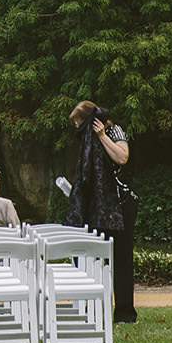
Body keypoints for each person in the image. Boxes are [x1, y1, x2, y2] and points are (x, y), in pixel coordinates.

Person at [64, 100, 135, 323]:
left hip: (119, 203)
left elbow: (122, 158)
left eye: (79, 124)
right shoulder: (87, 142)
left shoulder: (113, 130)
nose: (78, 130)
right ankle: (95, 306)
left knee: (121, 256)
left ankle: (124, 311)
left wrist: (102, 136)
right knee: (93, 255)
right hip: (97, 206)